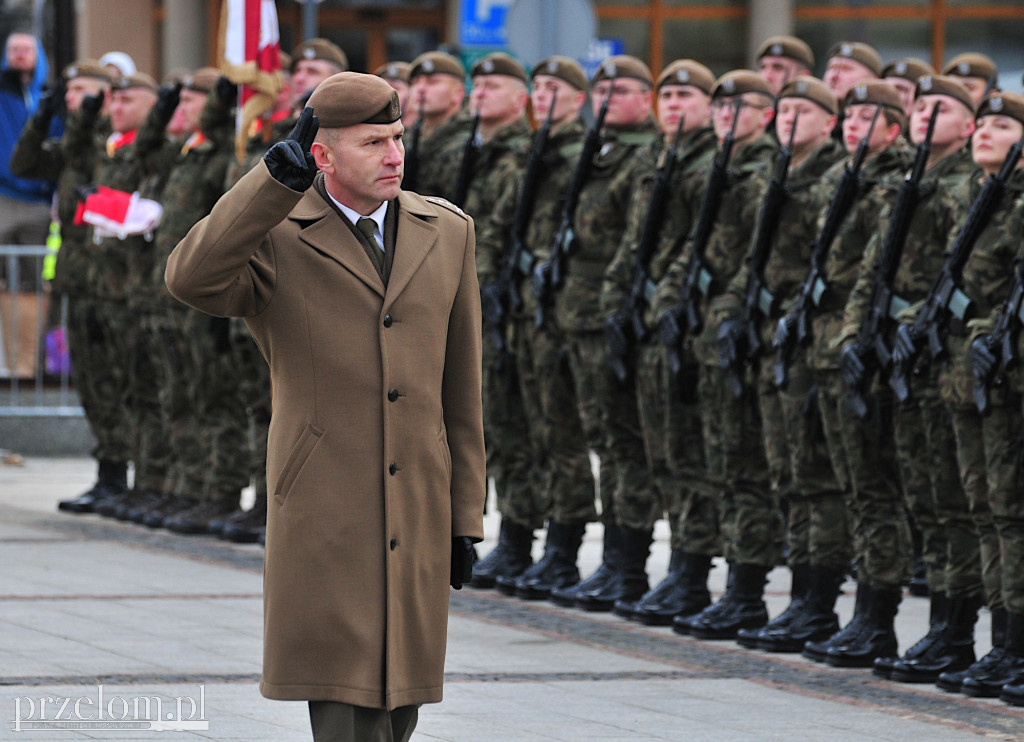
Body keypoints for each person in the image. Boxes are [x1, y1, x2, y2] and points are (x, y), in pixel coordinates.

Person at [165, 71, 486, 742]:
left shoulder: (447, 231)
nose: (396, 155)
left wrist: (464, 515)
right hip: (326, 507)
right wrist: (267, 185)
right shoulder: (279, 235)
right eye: (373, 142)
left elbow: (462, 392)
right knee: (347, 710)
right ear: (322, 154)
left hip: (419, 507)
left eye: (398, 138)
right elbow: (190, 278)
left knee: (401, 712)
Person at [842, 74, 983, 684]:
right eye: (920, 105)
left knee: (954, 503)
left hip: (941, 357)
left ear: (969, 125)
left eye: (941, 107)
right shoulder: (913, 183)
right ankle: (896, 624)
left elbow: (968, 279)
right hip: (897, 357)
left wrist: (908, 320)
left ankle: (954, 633)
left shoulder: (970, 189)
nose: (926, 114)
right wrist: (855, 333)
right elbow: (872, 269)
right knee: (920, 498)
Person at [722, 76, 848, 653]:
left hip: (811, 338)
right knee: (786, 475)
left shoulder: (833, 179)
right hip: (772, 336)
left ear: (830, 121)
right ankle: (797, 601)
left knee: (814, 477)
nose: (790, 119)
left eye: (804, 110)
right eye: (784, 109)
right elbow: (753, 257)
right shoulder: (779, 174)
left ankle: (816, 602)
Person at [655, 70, 778, 640]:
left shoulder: (763, 175)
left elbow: (757, 260)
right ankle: (692, 573)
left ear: (767, 113)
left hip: (742, 333)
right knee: (692, 461)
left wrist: (726, 311)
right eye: (721, 104)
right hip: (700, 328)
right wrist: (666, 301)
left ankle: (747, 591)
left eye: (739, 104)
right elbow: (690, 247)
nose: (726, 113)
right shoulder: (716, 169)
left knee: (740, 469)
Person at [475, 56, 598, 598]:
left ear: (578, 98)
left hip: (557, 310)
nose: (544, 96)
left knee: (559, 433)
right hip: (517, 308)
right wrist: (486, 280)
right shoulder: (532, 154)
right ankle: (519, 536)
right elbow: (499, 224)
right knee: (511, 429)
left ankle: (563, 548)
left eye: (555, 88)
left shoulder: (581, 156)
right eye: (539, 86)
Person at [602, 59, 719, 624]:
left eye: (685, 96)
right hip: (640, 316)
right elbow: (631, 241)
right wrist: (617, 301)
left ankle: (690, 576)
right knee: (648, 451)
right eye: (667, 95)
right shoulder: (658, 158)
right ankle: (644, 567)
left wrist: (659, 303)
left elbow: (696, 248)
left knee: (684, 455)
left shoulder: (709, 164)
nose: (674, 105)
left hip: (678, 323)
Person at [543, 55, 660, 613]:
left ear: (647, 98)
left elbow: (633, 242)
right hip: (574, 309)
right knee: (589, 435)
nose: (609, 97)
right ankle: (602, 561)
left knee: (620, 442)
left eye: (623, 89)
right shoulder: (599, 152)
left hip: (608, 314)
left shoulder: (646, 156)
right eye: (602, 88)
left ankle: (627, 564)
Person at [1, 31, 62, 281]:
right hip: (3, 197)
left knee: (33, 279)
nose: (20, 54)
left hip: (39, 201)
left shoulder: (50, 98)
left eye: (27, 49)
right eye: (14, 49)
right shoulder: (3, 94)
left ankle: (33, 322)